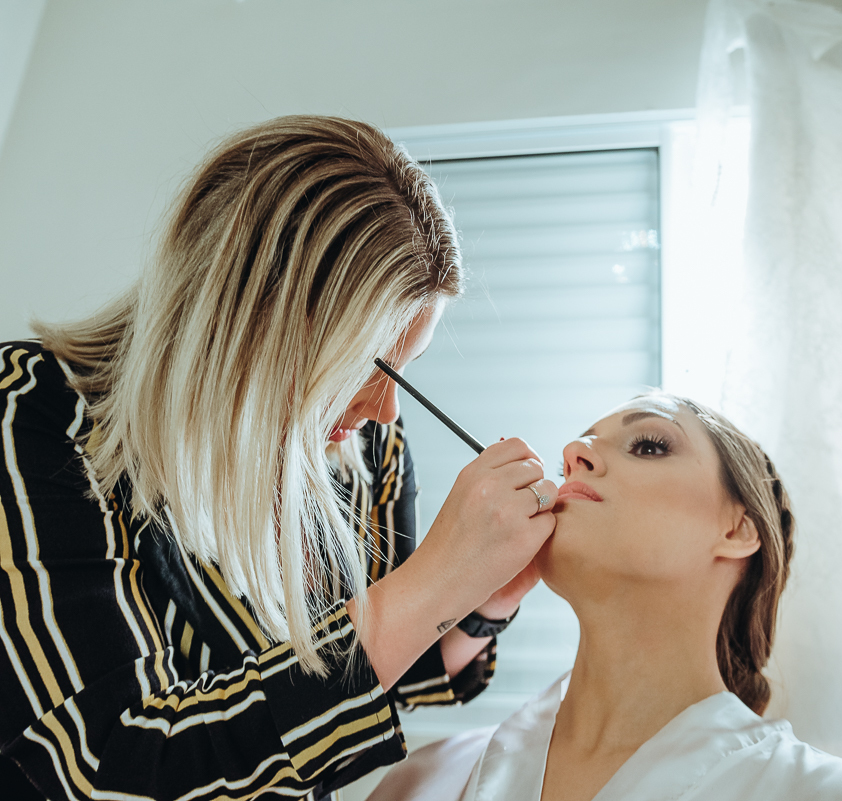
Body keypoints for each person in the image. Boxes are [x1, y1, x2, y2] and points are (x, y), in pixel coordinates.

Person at [0, 116, 558, 800]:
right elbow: (108, 765)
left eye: (407, 369)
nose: (385, 410)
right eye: (364, 363)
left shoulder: (357, 440)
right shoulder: (34, 417)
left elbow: (363, 674)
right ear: (248, 318)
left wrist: (482, 598)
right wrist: (436, 582)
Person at [371, 393, 842, 801]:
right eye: (576, 447)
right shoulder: (421, 784)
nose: (574, 452)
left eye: (649, 445)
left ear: (739, 529)